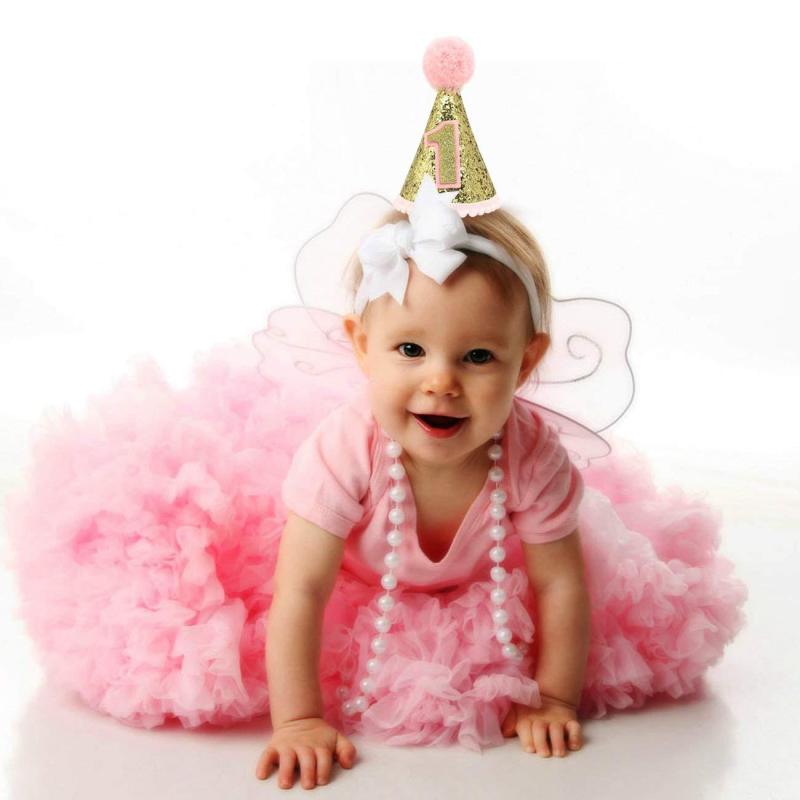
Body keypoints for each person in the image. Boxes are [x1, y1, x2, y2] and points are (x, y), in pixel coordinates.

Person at [3, 37, 747, 793]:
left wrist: (554, 698)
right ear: (362, 346)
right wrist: (299, 719)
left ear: (527, 363)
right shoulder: (343, 453)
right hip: (362, 583)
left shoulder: (532, 456)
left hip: (479, 588)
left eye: (478, 357)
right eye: (411, 350)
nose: (441, 382)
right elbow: (302, 593)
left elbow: (559, 585)